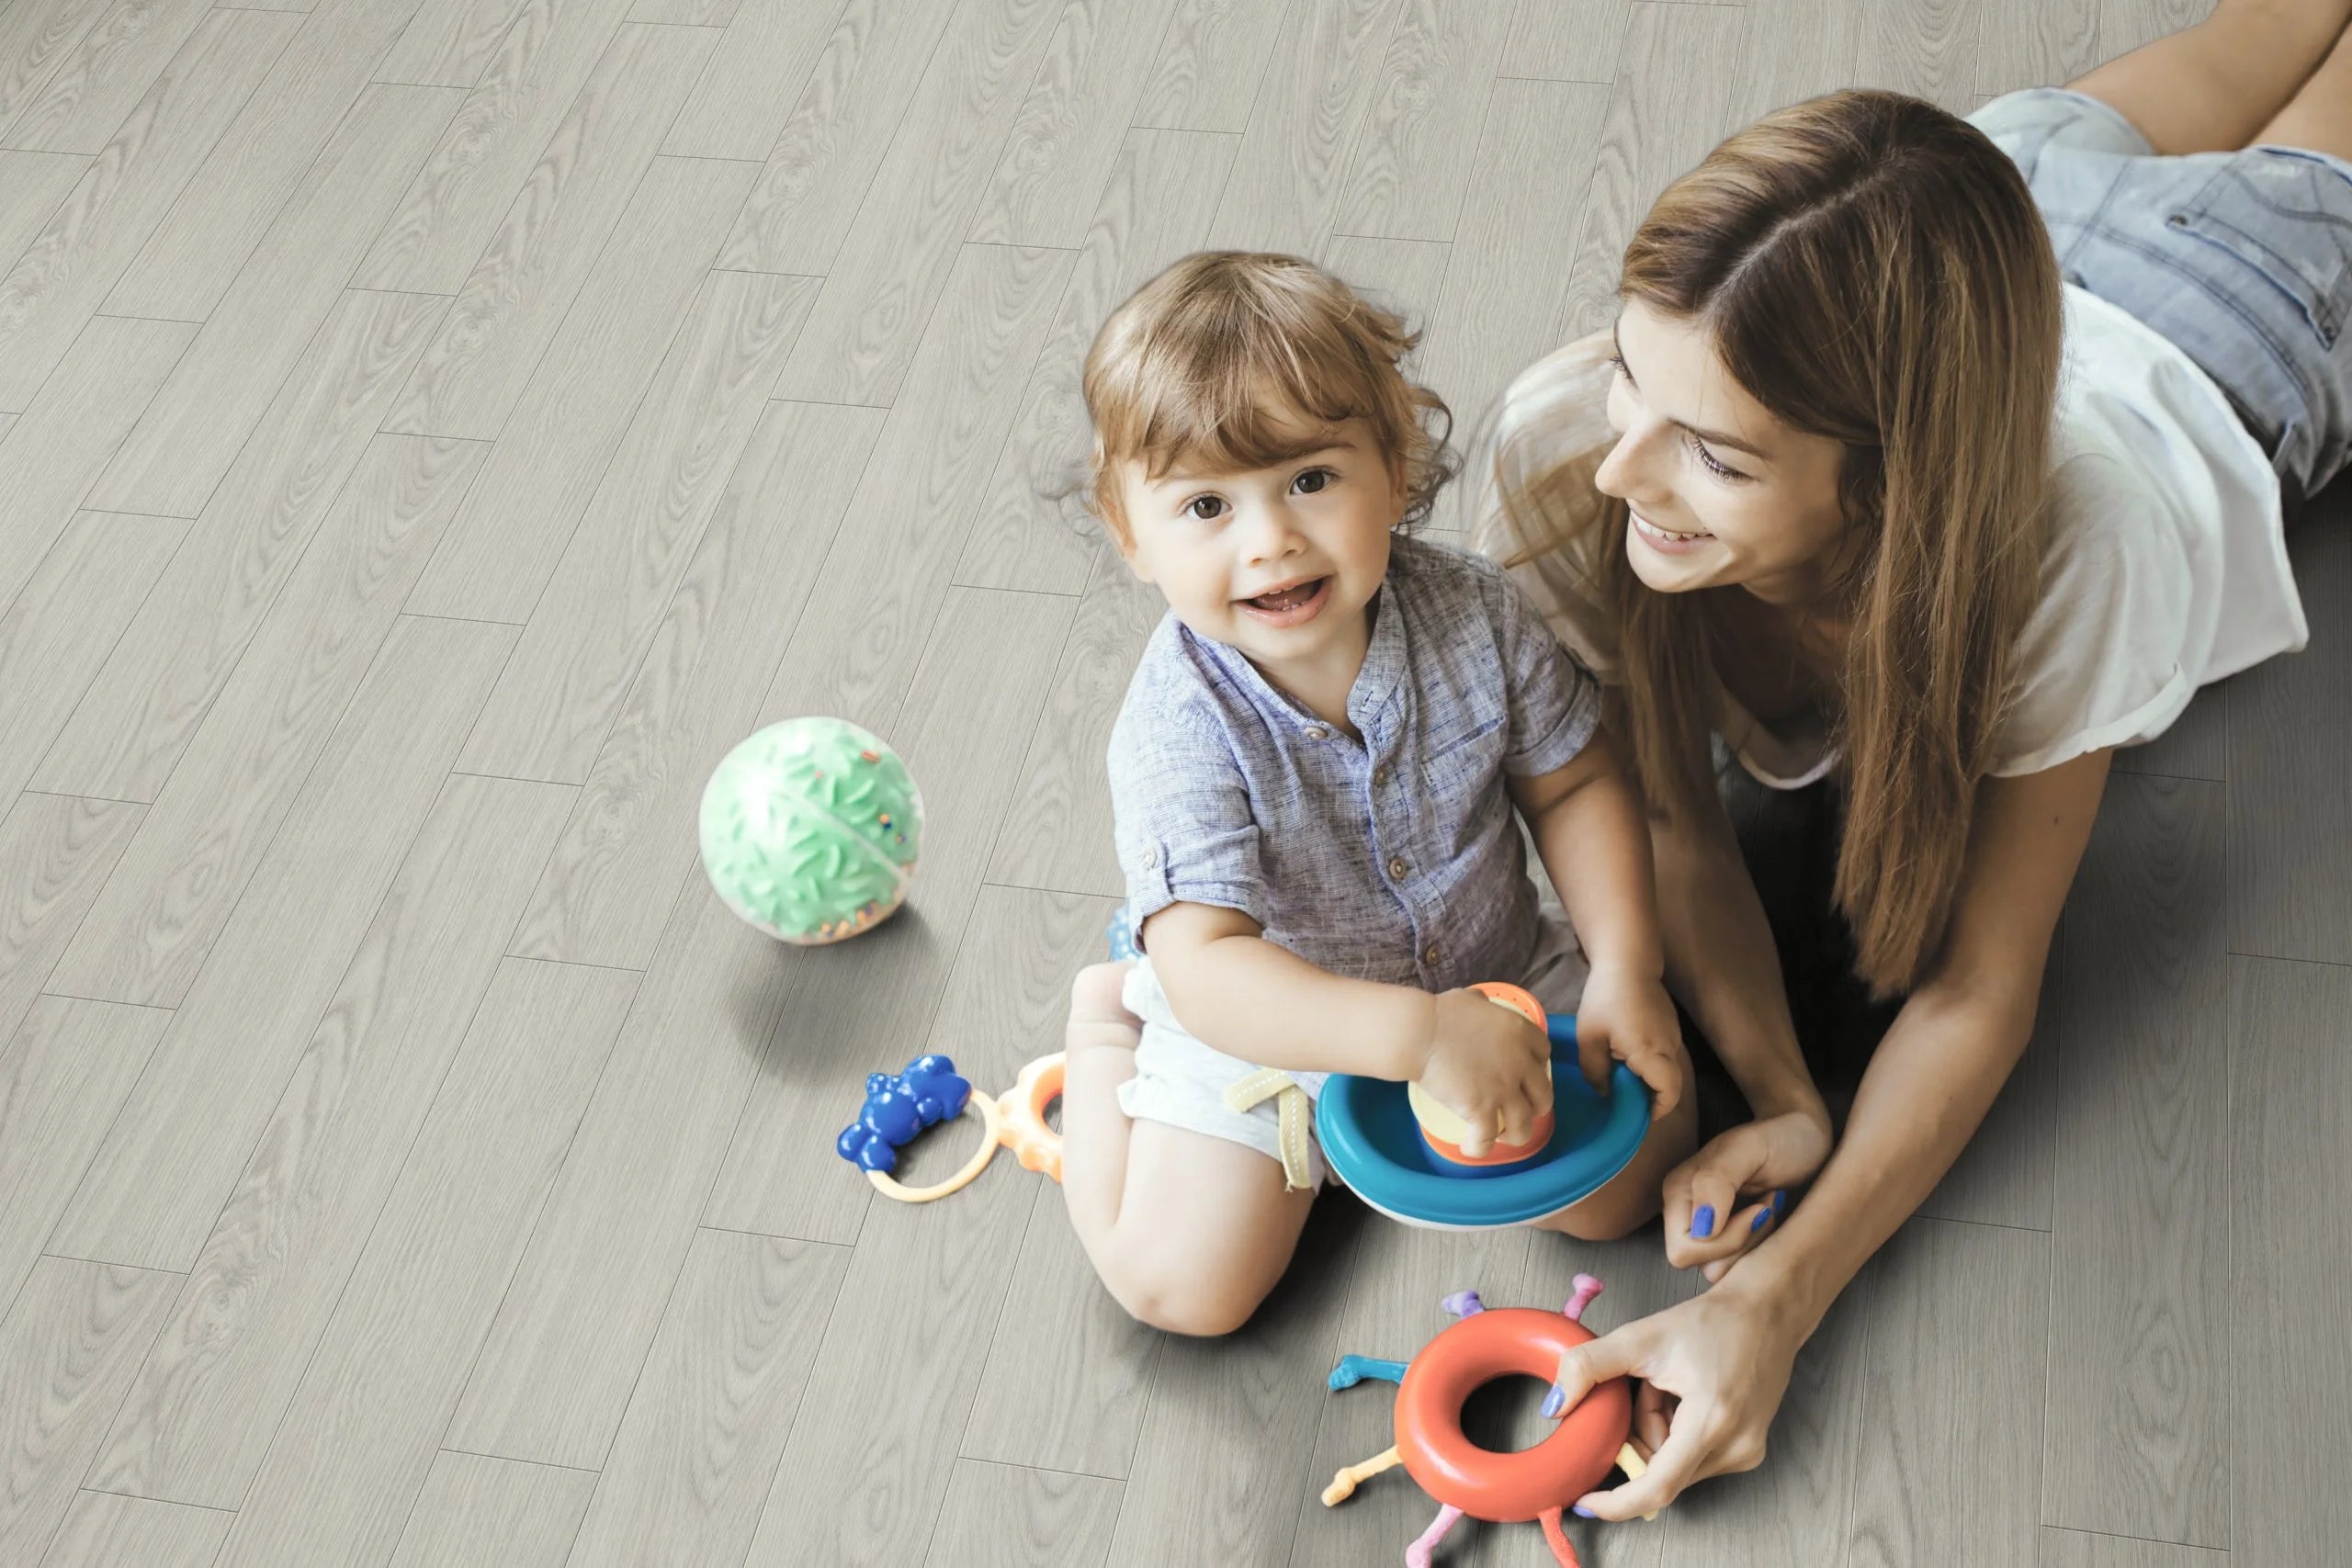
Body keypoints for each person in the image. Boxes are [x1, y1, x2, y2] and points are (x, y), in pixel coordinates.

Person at [1471, 0, 2352, 1522]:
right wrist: (1787, 1093)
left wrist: (1778, 1300)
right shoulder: (1574, 448)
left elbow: (1979, 986)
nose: (1622, 473)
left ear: (1889, 493)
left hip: (2224, 308)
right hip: (1990, 200)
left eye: (1715, 456)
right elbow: (1672, 813)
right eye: (1633, 375)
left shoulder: (2083, 551)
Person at [1058, 253, 1692, 1338]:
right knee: (1182, 1293)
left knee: (1635, 1182)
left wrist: (1627, 967)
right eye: (1206, 505)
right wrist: (1410, 1041)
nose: (1270, 541)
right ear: (1131, 535)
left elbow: (1577, 780)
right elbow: (1212, 970)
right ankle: (1105, 1022)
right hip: (1264, 1029)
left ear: (1394, 470)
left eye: (1309, 479)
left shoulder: (1473, 614)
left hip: (1492, 972)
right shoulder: (1177, 729)